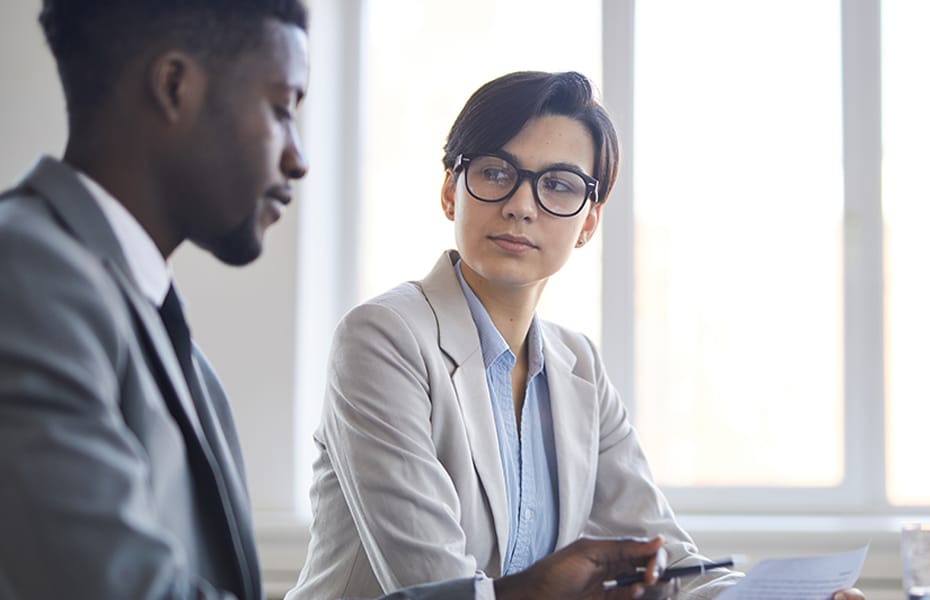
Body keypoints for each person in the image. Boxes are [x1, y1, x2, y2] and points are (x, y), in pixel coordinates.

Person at [0, 3, 671, 600]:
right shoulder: (28, 275)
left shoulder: (164, 335)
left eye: (558, 186)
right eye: (281, 106)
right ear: (175, 86)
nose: (298, 158)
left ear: (589, 218)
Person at [287, 71, 867, 600]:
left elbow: (665, 560)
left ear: (588, 221)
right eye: (494, 172)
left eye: (559, 185)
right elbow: (434, 586)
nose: (520, 206)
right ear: (449, 191)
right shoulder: (384, 338)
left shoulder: (577, 363)